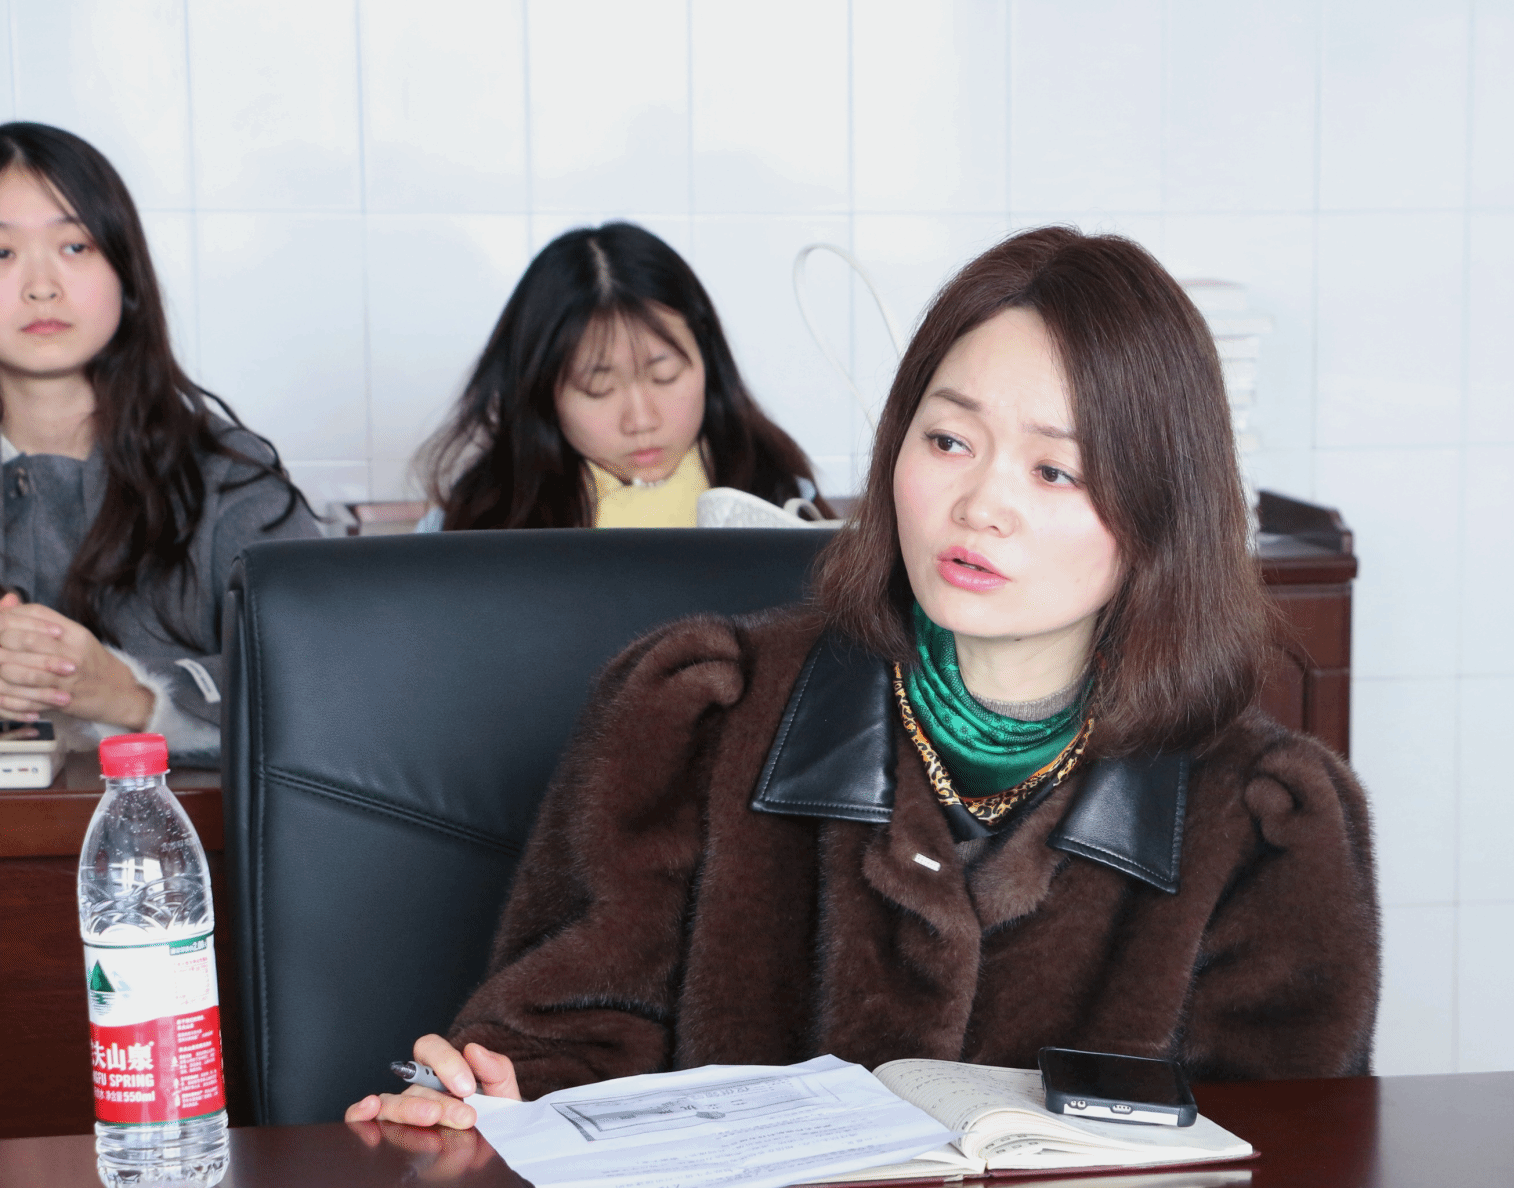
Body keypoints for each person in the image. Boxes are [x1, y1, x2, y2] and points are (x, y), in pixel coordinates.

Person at [350, 227, 1380, 1129]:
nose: (978, 504)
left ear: (1163, 510)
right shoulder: (702, 714)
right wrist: (490, 1098)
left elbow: (1279, 1182)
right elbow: (566, 1042)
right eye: (948, 440)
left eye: (1051, 470)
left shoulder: (1265, 825)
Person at [0, 122, 316, 764]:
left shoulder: (230, 480)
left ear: (126, 271)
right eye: (0, 253)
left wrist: (129, 695)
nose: (41, 286)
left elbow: (330, 686)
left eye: (75, 246)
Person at [415, 221, 821, 531]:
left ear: (707, 361)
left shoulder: (782, 504)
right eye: (598, 389)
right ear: (542, 394)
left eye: (664, 375)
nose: (641, 421)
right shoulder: (467, 528)